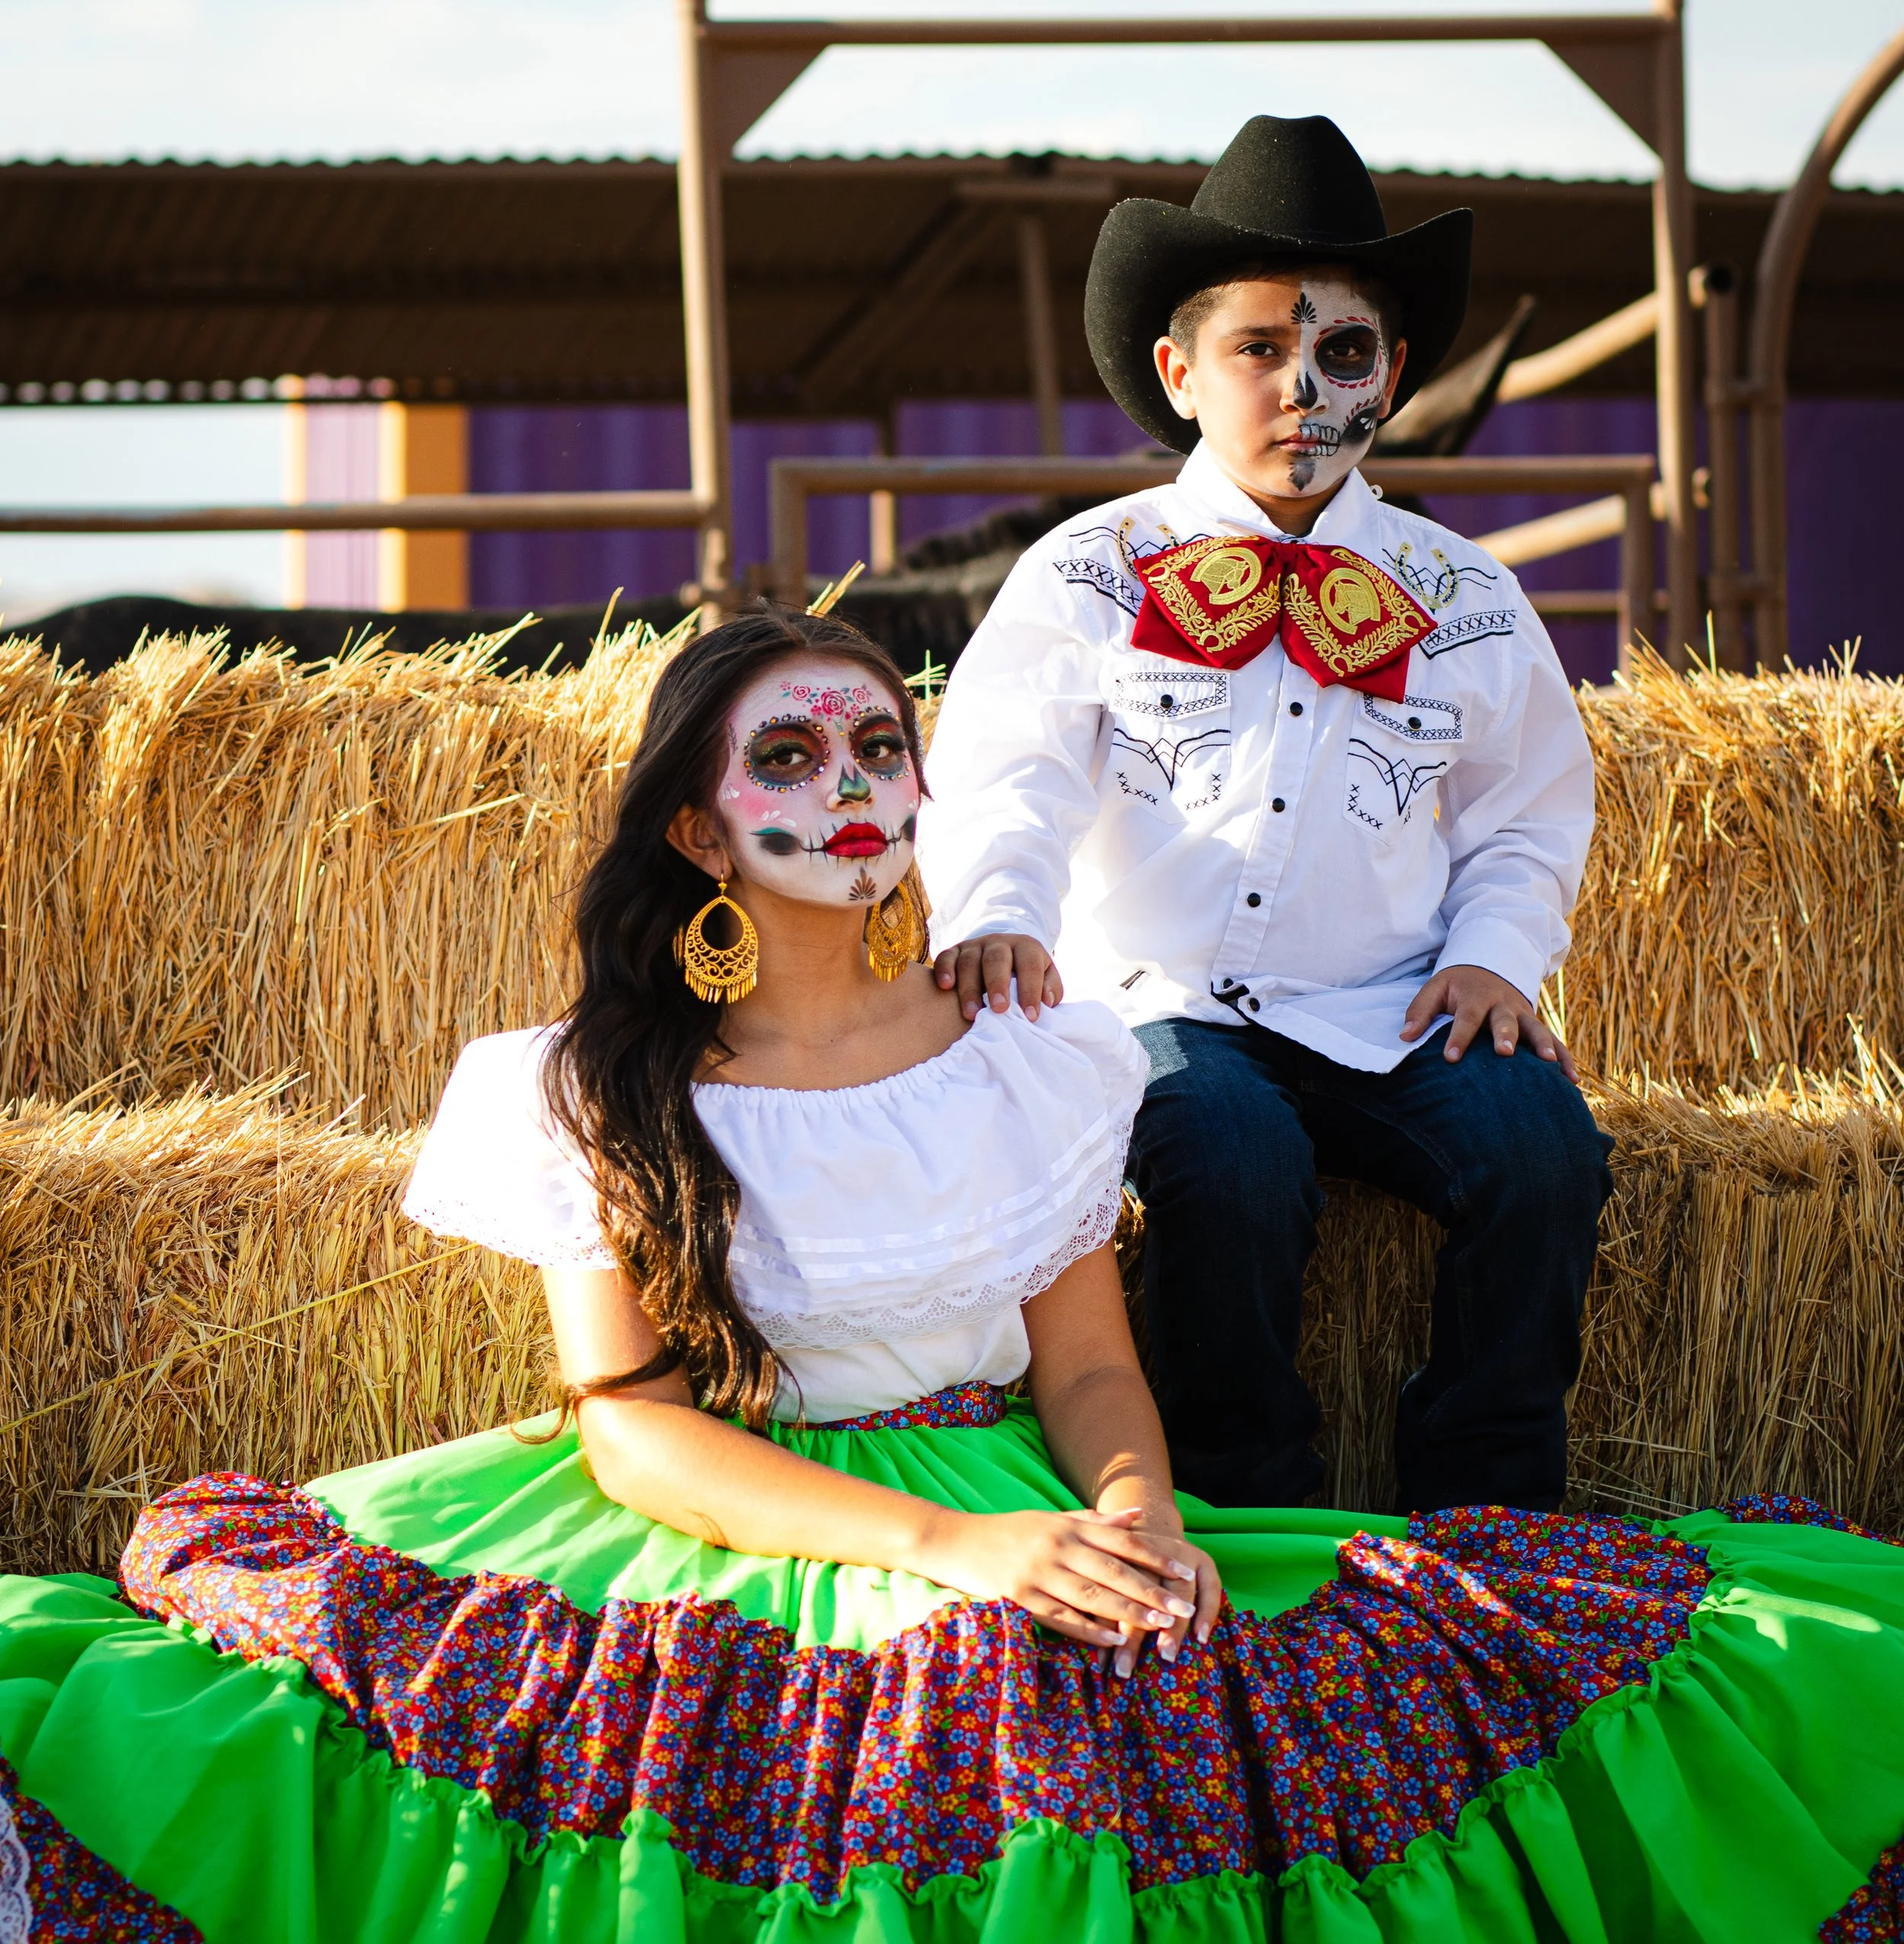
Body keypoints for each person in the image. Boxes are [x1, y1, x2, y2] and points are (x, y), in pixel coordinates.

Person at [0, 608, 1902, 1944]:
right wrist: (950, 1553)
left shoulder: (1029, 1055)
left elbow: (1083, 1363)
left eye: (877, 748)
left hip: (1015, 1477)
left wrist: (1135, 1511)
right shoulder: (582, 1084)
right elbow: (637, 1434)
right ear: (695, 823)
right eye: (789, 755)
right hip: (748, 1525)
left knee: (1424, 1679)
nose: (850, 785)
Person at [919, 113, 1612, 1516]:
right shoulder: (1091, 572)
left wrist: (1494, 956)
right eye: (1257, 349)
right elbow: (1011, 771)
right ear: (1179, 373)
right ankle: (1241, 1503)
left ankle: (1491, 1508)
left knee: (1542, 1145)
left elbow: (1530, 812)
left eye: (1342, 351)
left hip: (1391, 1007)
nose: (1303, 385)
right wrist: (997, 914)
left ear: (1394, 374)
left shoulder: (1465, 595)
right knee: (1225, 1158)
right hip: (1166, 1000)